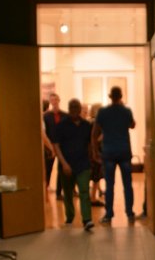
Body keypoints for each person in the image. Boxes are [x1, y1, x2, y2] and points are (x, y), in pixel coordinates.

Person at [92, 86, 136, 224]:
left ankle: (109, 214)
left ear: (110, 97)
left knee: (109, 185)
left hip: (109, 152)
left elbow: (94, 133)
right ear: (121, 97)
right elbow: (132, 125)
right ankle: (129, 213)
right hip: (124, 151)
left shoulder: (103, 112)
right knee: (127, 184)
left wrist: (95, 151)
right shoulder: (126, 111)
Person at [52, 99, 96, 231]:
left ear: (80, 109)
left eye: (76, 108)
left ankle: (87, 219)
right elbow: (56, 145)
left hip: (83, 164)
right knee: (68, 193)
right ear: (69, 109)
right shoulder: (61, 125)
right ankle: (70, 217)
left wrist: (92, 159)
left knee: (84, 191)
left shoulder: (86, 125)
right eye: (72, 108)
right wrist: (64, 163)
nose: (74, 110)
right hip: (66, 165)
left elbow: (90, 144)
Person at [43, 93, 67, 200]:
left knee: (61, 170)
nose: (54, 102)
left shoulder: (65, 115)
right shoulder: (46, 116)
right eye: (52, 100)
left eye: (56, 100)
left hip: (62, 146)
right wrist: (49, 146)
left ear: (59, 100)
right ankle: (46, 191)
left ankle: (59, 193)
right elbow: (45, 132)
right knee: (48, 169)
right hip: (50, 146)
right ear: (50, 102)